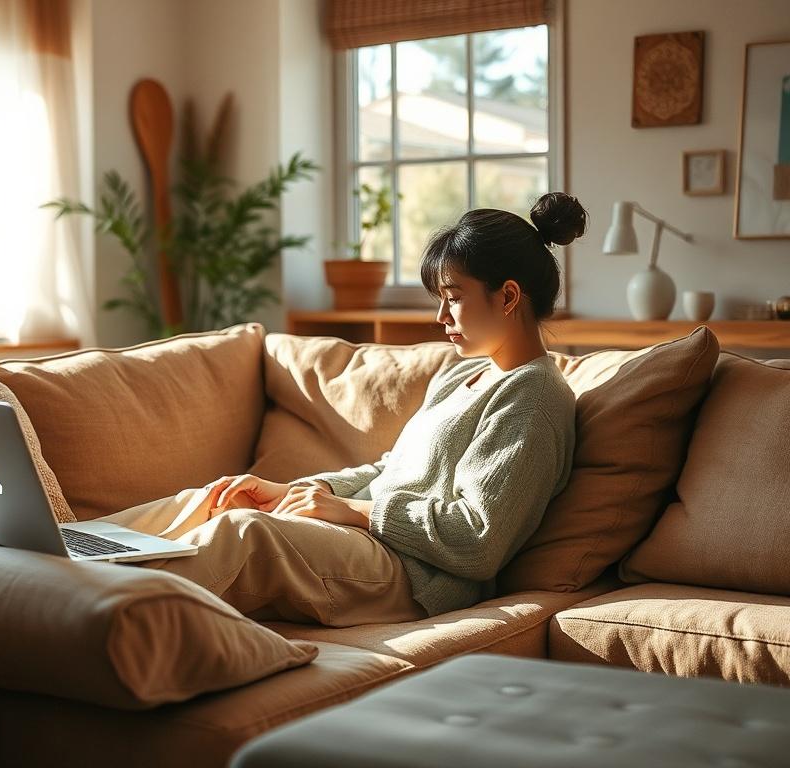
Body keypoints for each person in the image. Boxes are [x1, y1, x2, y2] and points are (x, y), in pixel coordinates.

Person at [101, 191, 586, 628]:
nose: (441, 317)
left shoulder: (534, 398)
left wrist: (353, 511)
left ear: (507, 296)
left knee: (244, 531)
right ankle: (66, 550)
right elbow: (388, 469)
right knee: (225, 495)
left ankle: (110, 612)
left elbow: (477, 539)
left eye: (453, 299)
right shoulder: (462, 373)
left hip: (414, 576)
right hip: (370, 542)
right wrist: (301, 490)